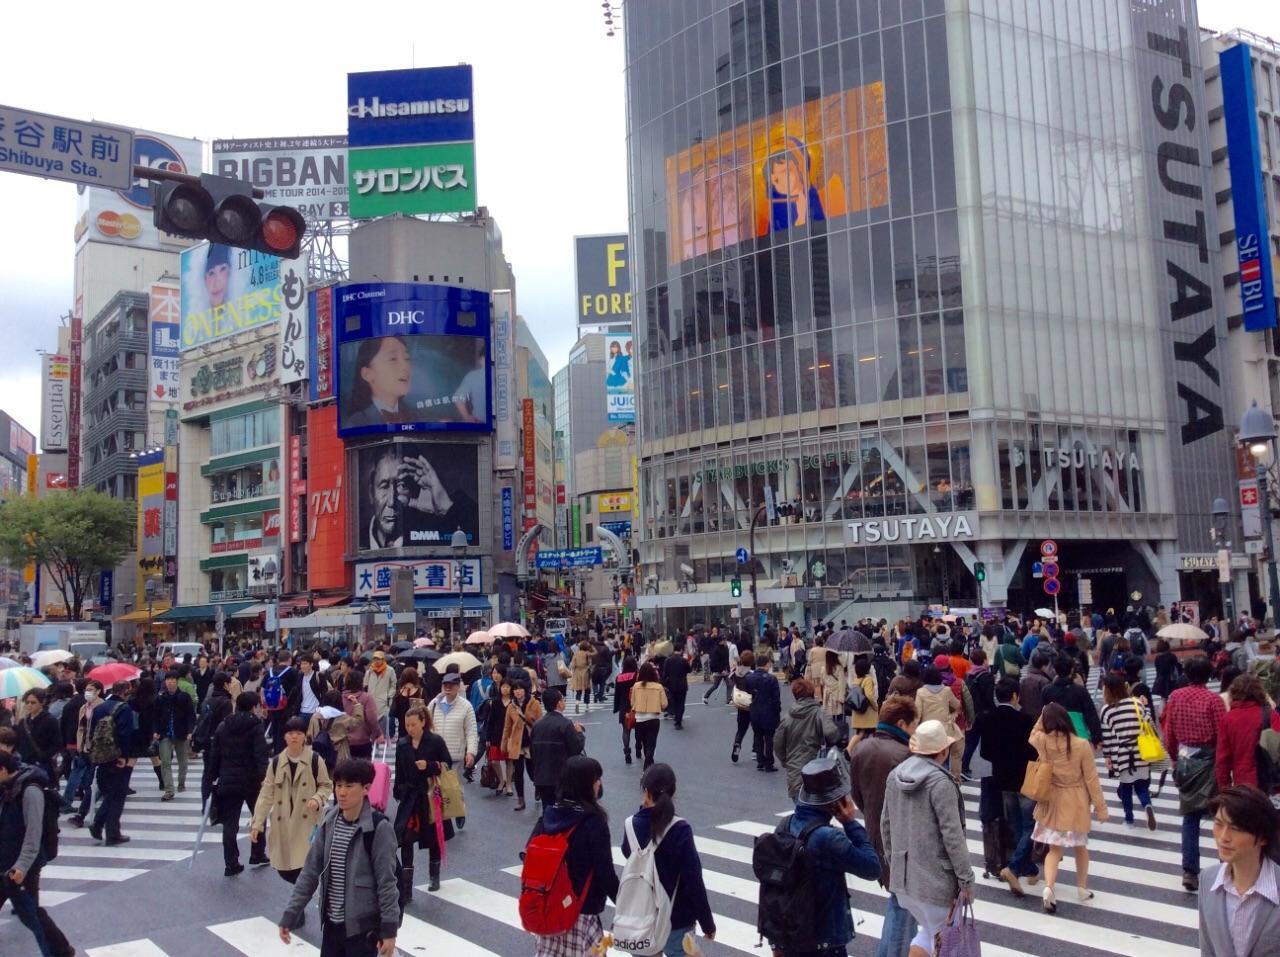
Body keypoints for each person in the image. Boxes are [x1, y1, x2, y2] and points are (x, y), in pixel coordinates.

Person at [279, 758, 401, 957]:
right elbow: (310, 872)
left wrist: (389, 930)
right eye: (338, 785)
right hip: (331, 927)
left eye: (349, 786)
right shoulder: (329, 820)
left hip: (362, 931)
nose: (342, 792)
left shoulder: (378, 828)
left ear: (366, 788)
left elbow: (387, 883)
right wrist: (291, 913)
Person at [881, 720, 975, 957]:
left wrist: (895, 864)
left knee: (926, 933)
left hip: (905, 881)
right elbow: (953, 837)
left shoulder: (895, 776)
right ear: (942, 751)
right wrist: (966, 881)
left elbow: (886, 826)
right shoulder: (940, 783)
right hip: (936, 883)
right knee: (946, 943)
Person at [847, 695, 920, 957]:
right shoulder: (906, 755)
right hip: (903, 839)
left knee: (900, 901)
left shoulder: (861, 749)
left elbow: (857, 795)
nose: (915, 730)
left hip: (875, 833)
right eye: (914, 725)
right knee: (905, 905)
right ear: (902, 723)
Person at [526, 755, 619, 956]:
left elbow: (530, 854)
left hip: (550, 909)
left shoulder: (549, 814)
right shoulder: (593, 822)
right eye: (596, 779)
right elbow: (605, 873)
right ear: (586, 784)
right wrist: (624, 903)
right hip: (582, 910)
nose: (599, 784)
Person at [619, 764, 716, 955]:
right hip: (677, 918)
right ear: (673, 792)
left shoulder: (631, 825)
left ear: (646, 792)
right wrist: (707, 923)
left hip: (642, 917)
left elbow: (627, 852)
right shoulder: (680, 828)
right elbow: (693, 879)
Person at [1029, 703, 1109, 912]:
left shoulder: (1043, 741)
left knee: (1054, 850)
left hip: (1053, 798)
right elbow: (1091, 778)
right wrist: (1101, 808)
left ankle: (1049, 887)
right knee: (1080, 847)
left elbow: (1033, 733)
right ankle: (1082, 888)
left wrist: (1043, 711)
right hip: (1076, 800)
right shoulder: (1081, 744)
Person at [0, 750, 74, 957]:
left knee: (31, 914)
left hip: (23, 866)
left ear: (3, 770)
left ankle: (60, 951)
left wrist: (21, 866)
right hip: (5, 861)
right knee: (30, 913)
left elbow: (33, 834)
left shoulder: (30, 790)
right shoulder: (7, 786)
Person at [1164, 654, 1228, 891]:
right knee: (1220, 814)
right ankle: (1225, 864)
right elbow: (1223, 735)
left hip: (1185, 760)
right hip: (1210, 760)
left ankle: (1190, 870)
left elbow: (1169, 732)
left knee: (1190, 817)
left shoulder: (1175, 697)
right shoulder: (1213, 701)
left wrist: (1173, 757)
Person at [251, 716, 334, 891]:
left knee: (303, 865)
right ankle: (301, 893)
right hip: (282, 823)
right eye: (290, 733)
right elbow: (266, 794)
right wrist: (257, 823)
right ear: (285, 736)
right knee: (284, 869)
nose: (294, 737)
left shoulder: (314, 759)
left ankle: (299, 903)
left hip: (306, 822)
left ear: (305, 736)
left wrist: (317, 799)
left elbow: (326, 785)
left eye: (298, 733)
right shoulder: (276, 763)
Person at [1198, 785, 1280, 955]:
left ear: (1263, 837)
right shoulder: (1208, 879)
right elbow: (1208, 949)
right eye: (1218, 824)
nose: (1223, 837)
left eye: (1236, 829)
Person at [977, 678, 1039, 896]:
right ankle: (1013, 867)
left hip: (1002, 780)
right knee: (1031, 826)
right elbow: (1034, 752)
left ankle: (1027, 867)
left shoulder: (988, 719)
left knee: (1016, 824)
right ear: (1015, 695)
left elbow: (985, 752)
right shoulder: (1025, 720)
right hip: (1024, 780)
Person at [393, 702, 453, 896]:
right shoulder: (402, 744)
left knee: (433, 837)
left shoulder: (435, 741)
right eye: (407, 725)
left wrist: (428, 766)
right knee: (406, 839)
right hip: (410, 797)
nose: (410, 728)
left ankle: (434, 876)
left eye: (413, 724)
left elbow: (447, 764)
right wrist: (398, 790)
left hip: (430, 795)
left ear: (422, 722)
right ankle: (407, 886)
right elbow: (399, 771)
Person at [207, 691, 270, 876]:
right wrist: (264, 776)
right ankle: (257, 853)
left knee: (230, 823)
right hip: (251, 780)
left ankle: (231, 862)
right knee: (259, 817)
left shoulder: (223, 726)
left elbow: (215, 755)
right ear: (253, 707)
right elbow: (261, 754)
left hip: (228, 779)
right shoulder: (255, 726)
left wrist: (212, 777)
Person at [1099, 674, 1158, 830]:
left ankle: (1129, 819)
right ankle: (1147, 806)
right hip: (1141, 751)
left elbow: (1108, 736)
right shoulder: (1136, 703)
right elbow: (1148, 723)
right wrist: (1146, 708)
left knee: (1126, 788)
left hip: (1123, 753)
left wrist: (1107, 756)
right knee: (1141, 786)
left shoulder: (1106, 710)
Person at [774, 678, 842, 801]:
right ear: (812, 693)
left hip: (795, 771)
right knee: (819, 810)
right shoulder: (819, 712)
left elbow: (778, 744)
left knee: (800, 809)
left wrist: (786, 761)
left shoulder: (787, 717)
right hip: (818, 769)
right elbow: (832, 733)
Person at [88, 679, 137, 846]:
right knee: (117, 795)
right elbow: (126, 734)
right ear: (126, 691)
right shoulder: (124, 709)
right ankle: (111, 833)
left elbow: (92, 732)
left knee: (110, 793)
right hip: (117, 756)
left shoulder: (99, 707)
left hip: (101, 756)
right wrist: (124, 756)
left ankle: (100, 825)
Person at [426, 672, 478, 824]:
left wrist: (471, 752)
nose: (448, 688)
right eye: (445, 685)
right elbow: (426, 724)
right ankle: (444, 815)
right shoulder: (434, 704)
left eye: (452, 685)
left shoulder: (466, 706)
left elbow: (471, 731)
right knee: (437, 787)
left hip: (455, 754)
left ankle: (459, 809)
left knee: (453, 787)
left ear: (458, 687)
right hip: (435, 755)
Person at [1216, 673, 1280, 791]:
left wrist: (1225, 788)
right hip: (1270, 780)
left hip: (1243, 781)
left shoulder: (1228, 719)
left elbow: (1223, 759)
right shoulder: (1271, 714)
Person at [528, 689, 586, 810]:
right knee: (563, 811)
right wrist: (579, 733)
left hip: (542, 777)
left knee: (547, 811)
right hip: (561, 776)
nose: (564, 702)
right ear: (559, 703)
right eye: (563, 700)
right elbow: (576, 749)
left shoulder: (537, 725)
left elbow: (533, 752)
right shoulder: (565, 724)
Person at [346, 336, 416, 428]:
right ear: (367, 374)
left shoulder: (418, 416)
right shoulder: (356, 423)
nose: (405, 366)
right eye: (393, 359)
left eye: (407, 358)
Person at [1041, 653, 1103, 746]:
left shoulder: (1047, 691)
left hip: (1055, 736)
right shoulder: (1080, 690)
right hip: (1079, 735)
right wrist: (1096, 737)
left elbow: (1043, 715)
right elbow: (1091, 715)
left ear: (1055, 670)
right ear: (1072, 670)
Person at [914, 666, 962, 781]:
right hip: (945, 730)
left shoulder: (921, 692)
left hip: (927, 731)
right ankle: (952, 781)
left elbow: (918, 713)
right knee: (950, 756)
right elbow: (957, 705)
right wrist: (952, 715)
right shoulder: (946, 690)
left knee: (928, 759)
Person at [153, 670, 195, 801]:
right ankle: (169, 790)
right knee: (165, 761)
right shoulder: (160, 698)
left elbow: (191, 715)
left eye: (172, 680)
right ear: (165, 682)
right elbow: (155, 716)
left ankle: (181, 782)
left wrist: (190, 731)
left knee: (182, 761)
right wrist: (155, 730)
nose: (170, 682)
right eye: (168, 680)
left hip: (181, 733)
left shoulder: (184, 697)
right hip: (164, 733)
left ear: (177, 681)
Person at [503, 682, 543, 811]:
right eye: (515, 689)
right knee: (518, 772)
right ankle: (521, 799)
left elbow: (541, 723)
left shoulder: (534, 703)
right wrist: (504, 743)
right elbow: (507, 726)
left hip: (531, 742)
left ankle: (538, 785)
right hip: (516, 743)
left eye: (520, 689)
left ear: (525, 690)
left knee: (532, 771)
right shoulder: (511, 707)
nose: (518, 692)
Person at [746, 651, 782, 772]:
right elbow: (776, 698)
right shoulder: (771, 679)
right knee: (769, 738)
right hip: (769, 711)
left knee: (757, 736)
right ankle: (769, 762)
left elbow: (747, 694)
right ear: (766, 665)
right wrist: (778, 711)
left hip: (755, 710)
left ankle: (760, 761)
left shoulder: (749, 678)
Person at [14, 689, 60, 782]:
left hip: (42, 763)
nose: (29, 705)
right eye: (27, 702)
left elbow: (57, 743)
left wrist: (44, 756)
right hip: (24, 763)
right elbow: (18, 741)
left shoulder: (50, 720)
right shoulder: (24, 722)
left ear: (42, 702)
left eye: (33, 702)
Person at [630, 663, 668, 770]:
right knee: (651, 743)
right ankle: (648, 764)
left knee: (644, 742)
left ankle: (648, 763)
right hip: (654, 718)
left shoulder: (636, 686)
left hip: (640, 718)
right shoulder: (658, 687)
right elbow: (664, 704)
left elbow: (632, 702)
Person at [341, 671, 383, 761]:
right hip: (363, 740)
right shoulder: (367, 698)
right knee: (364, 771)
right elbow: (372, 718)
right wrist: (378, 733)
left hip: (344, 740)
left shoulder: (341, 698)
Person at [363, 651, 396, 741]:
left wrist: (389, 695)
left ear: (383, 659)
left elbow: (393, 685)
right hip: (371, 700)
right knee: (372, 721)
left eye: (378, 659)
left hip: (384, 701)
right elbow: (365, 685)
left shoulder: (390, 670)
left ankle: (384, 739)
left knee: (383, 724)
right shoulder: (369, 671)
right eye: (375, 659)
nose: (376, 661)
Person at [729, 649, 755, 763]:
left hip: (741, 703)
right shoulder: (752, 674)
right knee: (757, 729)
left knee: (741, 728)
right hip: (752, 704)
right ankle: (755, 751)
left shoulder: (736, 672)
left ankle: (737, 744)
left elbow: (730, 679)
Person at [613, 655, 639, 765]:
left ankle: (627, 752)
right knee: (639, 729)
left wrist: (616, 707)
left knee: (625, 731)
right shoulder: (636, 676)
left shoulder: (619, 677)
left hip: (624, 706)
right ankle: (638, 748)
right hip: (636, 706)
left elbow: (617, 695)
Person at [661, 646, 690, 730]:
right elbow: (689, 670)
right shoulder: (683, 660)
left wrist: (663, 684)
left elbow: (664, 673)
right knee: (681, 704)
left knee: (674, 702)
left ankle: (675, 718)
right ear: (681, 650)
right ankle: (678, 722)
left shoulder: (668, 660)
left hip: (672, 685)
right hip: (682, 685)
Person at [702, 634, 731, 705]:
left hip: (725, 670)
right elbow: (715, 662)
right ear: (720, 641)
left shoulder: (726, 648)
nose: (725, 641)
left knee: (729, 684)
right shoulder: (716, 649)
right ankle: (705, 696)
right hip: (718, 670)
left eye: (725, 640)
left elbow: (727, 660)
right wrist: (721, 670)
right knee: (715, 686)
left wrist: (728, 669)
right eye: (724, 640)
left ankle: (728, 699)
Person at [569, 642, 592, 714]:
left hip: (577, 673)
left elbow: (572, 665)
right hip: (585, 673)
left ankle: (577, 704)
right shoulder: (587, 654)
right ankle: (587, 706)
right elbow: (590, 664)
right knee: (587, 690)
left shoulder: (576, 654)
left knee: (578, 691)